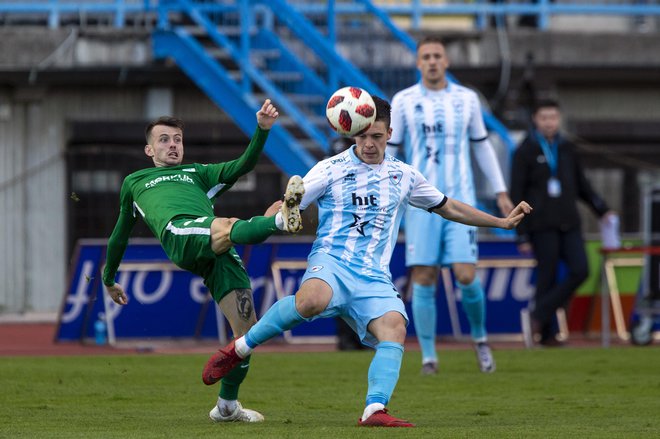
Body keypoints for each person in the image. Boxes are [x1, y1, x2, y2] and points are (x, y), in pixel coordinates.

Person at [201, 96, 532, 427]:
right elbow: (283, 207)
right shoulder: (331, 169)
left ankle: (374, 409)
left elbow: (448, 206)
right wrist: (279, 215)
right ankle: (239, 350)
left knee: (395, 327)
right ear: (351, 132)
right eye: (362, 136)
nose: (369, 143)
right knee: (312, 300)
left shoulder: (404, 176)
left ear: (390, 133)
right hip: (332, 261)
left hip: (374, 277)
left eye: (376, 136)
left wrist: (500, 222)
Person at [102, 99, 304, 423]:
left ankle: (226, 407)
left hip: (214, 249)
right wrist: (109, 278)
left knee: (247, 335)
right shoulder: (135, 182)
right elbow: (119, 236)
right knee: (225, 225)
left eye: (178, 139)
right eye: (164, 140)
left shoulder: (197, 173)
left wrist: (262, 130)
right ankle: (278, 222)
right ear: (149, 150)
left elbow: (244, 165)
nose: (173, 145)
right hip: (180, 233)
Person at [387, 36, 515, 375]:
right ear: (418, 63)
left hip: (461, 200)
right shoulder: (403, 101)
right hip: (420, 203)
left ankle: (480, 339)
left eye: (437, 56)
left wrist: (500, 191)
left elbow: (482, 146)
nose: (431, 61)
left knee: (465, 273)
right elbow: (392, 152)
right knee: (424, 276)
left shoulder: (467, 100)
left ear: (446, 62)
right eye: (425, 56)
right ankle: (429, 357)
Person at [510, 99, 615, 347]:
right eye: (544, 117)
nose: (549, 122)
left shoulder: (567, 148)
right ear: (536, 119)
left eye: (553, 117)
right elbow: (517, 191)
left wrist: (602, 209)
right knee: (546, 277)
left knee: (581, 270)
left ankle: (539, 313)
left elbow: (581, 184)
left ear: (559, 119)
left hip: (569, 222)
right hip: (541, 225)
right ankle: (547, 335)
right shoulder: (525, 150)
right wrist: (521, 233)